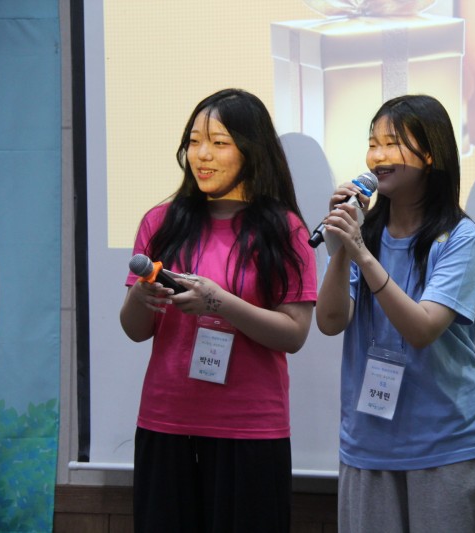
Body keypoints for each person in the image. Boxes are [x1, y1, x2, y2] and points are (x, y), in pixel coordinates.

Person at [119, 88, 317, 533]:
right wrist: (139, 298)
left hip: (250, 430)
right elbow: (135, 330)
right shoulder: (160, 222)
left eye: (219, 142)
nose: (202, 155)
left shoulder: (284, 229)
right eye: (194, 141)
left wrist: (218, 301)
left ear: (251, 150)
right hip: (166, 422)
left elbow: (294, 333)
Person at [316, 94, 475, 533]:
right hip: (368, 445)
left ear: (429, 154)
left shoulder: (459, 237)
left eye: (392, 143)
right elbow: (329, 322)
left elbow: (422, 329)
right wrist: (342, 249)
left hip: (448, 447)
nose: (377, 156)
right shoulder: (362, 234)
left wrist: (361, 253)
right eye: (373, 144)